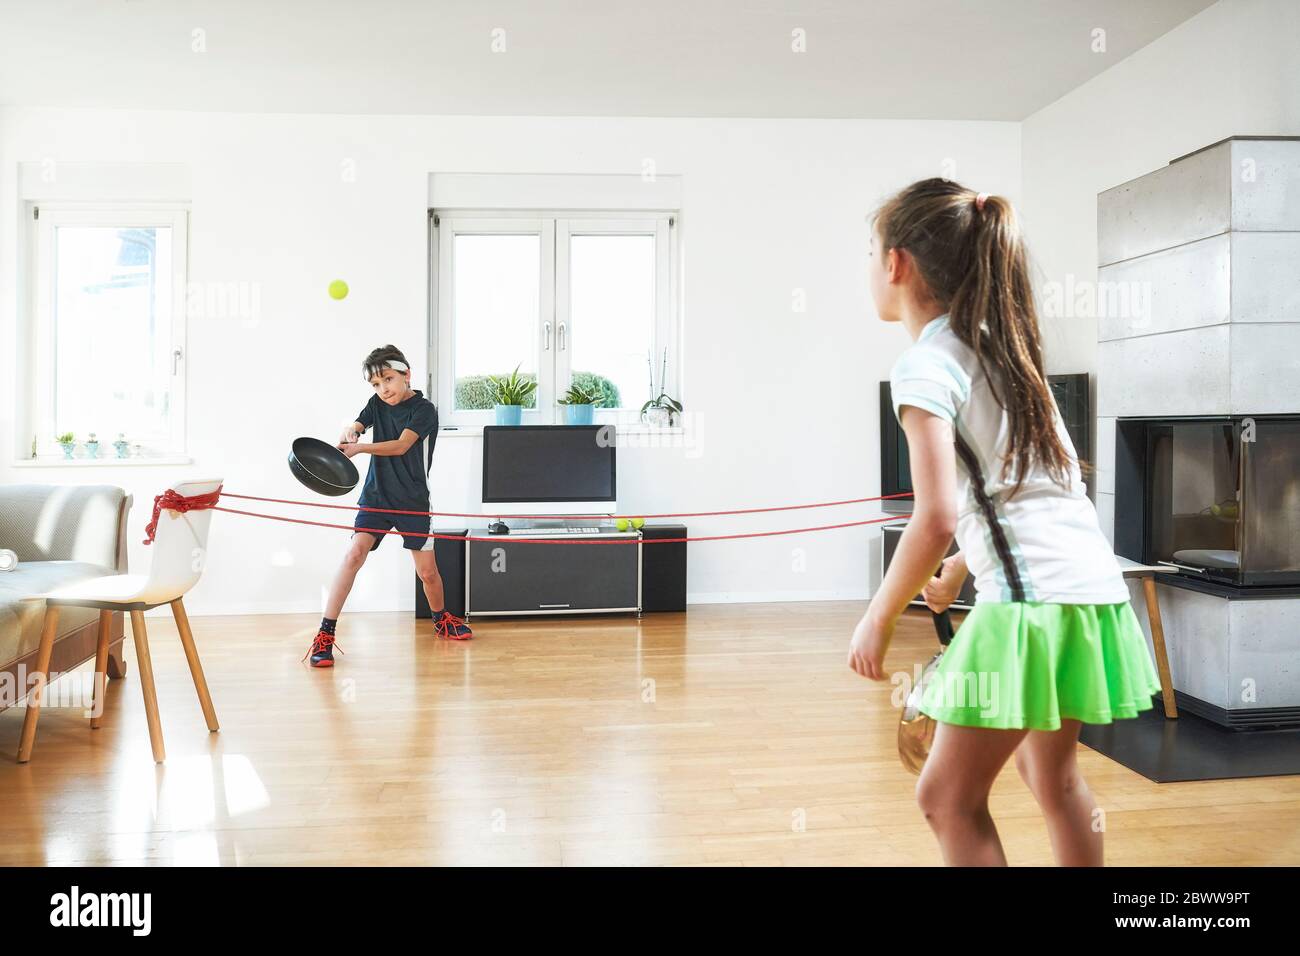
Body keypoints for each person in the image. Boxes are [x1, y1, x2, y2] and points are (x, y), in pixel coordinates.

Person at [848, 179, 1162, 866]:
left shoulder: (924, 366)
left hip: (1030, 607)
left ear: (897, 264)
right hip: (1092, 596)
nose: (870, 267)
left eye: (872, 252)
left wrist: (878, 615)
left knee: (945, 799)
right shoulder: (1009, 355)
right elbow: (1040, 489)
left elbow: (931, 517)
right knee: (1052, 777)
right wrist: (961, 566)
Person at [306, 344, 471, 668]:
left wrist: (360, 448)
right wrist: (352, 429)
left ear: (406, 374)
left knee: (428, 572)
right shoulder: (376, 404)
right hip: (376, 497)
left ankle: (441, 619)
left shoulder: (424, 410)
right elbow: (359, 421)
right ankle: (325, 634)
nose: (383, 390)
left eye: (389, 380)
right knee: (354, 554)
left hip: (412, 501)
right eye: (376, 385)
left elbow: (401, 445)